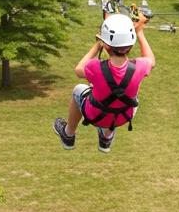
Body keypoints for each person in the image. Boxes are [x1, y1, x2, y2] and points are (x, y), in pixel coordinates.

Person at [53, 12, 156, 153]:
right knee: (130, 96)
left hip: (95, 115)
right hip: (123, 116)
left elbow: (78, 70)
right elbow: (151, 60)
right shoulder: (140, 66)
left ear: (107, 46)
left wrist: (97, 45)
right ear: (131, 45)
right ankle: (106, 138)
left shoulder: (95, 67)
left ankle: (68, 134)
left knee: (79, 89)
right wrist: (140, 32)